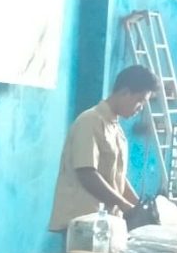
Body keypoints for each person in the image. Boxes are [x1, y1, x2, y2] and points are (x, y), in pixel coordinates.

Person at [48, 65, 158, 232]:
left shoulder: (116, 128)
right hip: (84, 224)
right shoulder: (89, 121)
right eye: (139, 100)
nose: (140, 108)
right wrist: (124, 205)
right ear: (125, 93)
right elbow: (86, 173)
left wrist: (137, 206)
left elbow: (117, 177)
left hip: (106, 223)